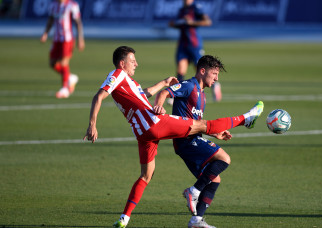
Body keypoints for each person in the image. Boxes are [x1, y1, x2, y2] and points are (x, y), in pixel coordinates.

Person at [83, 46, 264, 228]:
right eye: (132, 61)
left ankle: (124, 218)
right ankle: (245, 119)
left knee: (146, 176)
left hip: (142, 134)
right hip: (153, 123)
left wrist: (163, 82)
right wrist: (92, 124)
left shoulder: (130, 83)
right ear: (122, 64)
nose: (136, 64)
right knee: (203, 125)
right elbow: (98, 97)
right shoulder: (117, 74)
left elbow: (143, 95)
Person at [154, 55, 245, 228]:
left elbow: (197, 123)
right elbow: (165, 92)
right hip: (185, 140)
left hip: (191, 139)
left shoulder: (202, 95)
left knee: (214, 180)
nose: (216, 78)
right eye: (214, 73)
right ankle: (193, 191)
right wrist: (159, 105)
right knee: (224, 158)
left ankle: (196, 221)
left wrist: (214, 133)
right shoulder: (189, 86)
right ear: (202, 71)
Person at [169, 0, 222, 102]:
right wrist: (175, 24)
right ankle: (177, 95)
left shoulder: (196, 8)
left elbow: (207, 21)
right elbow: (179, 24)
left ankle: (215, 85)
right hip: (183, 45)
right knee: (180, 71)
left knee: (201, 69)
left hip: (194, 44)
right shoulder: (182, 10)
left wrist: (192, 22)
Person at [40, 0, 85, 99]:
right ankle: (70, 77)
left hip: (67, 39)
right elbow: (50, 20)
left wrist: (80, 39)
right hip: (56, 39)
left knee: (64, 63)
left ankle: (65, 89)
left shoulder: (72, 5)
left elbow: (78, 23)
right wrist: (45, 33)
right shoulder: (53, 5)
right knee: (52, 63)